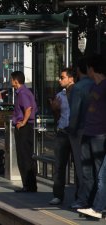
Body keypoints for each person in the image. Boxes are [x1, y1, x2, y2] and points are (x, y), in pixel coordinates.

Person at [73, 53, 106, 212]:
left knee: (99, 171)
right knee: (87, 170)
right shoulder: (94, 86)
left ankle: (99, 205)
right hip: (89, 131)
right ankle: (88, 201)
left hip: (100, 135)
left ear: (92, 69)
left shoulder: (105, 86)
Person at [68, 57, 94, 209]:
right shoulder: (97, 85)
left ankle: (84, 199)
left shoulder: (78, 88)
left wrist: (71, 130)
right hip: (97, 130)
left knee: (82, 167)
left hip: (81, 130)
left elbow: (75, 113)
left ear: (78, 70)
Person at [49, 68, 75, 205]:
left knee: (78, 166)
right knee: (59, 165)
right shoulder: (59, 95)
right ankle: (58, 195)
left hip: (75, 134)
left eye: (62, 77)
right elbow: (56, 115)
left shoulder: (77, 93)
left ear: (71, 78)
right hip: (62, 133)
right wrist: (54, 108)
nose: (60, 80)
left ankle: (80, 196)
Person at [11, 71, 38, 193]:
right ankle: (28, 185)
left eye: (11, 79)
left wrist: (23, 122)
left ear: (16, 81)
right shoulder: (24, 92)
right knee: (26, 156)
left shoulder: (22, 93)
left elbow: (28, 108)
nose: (11, 82)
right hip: (26, 127)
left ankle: (28, 185)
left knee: (24, 157)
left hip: (24, 128)